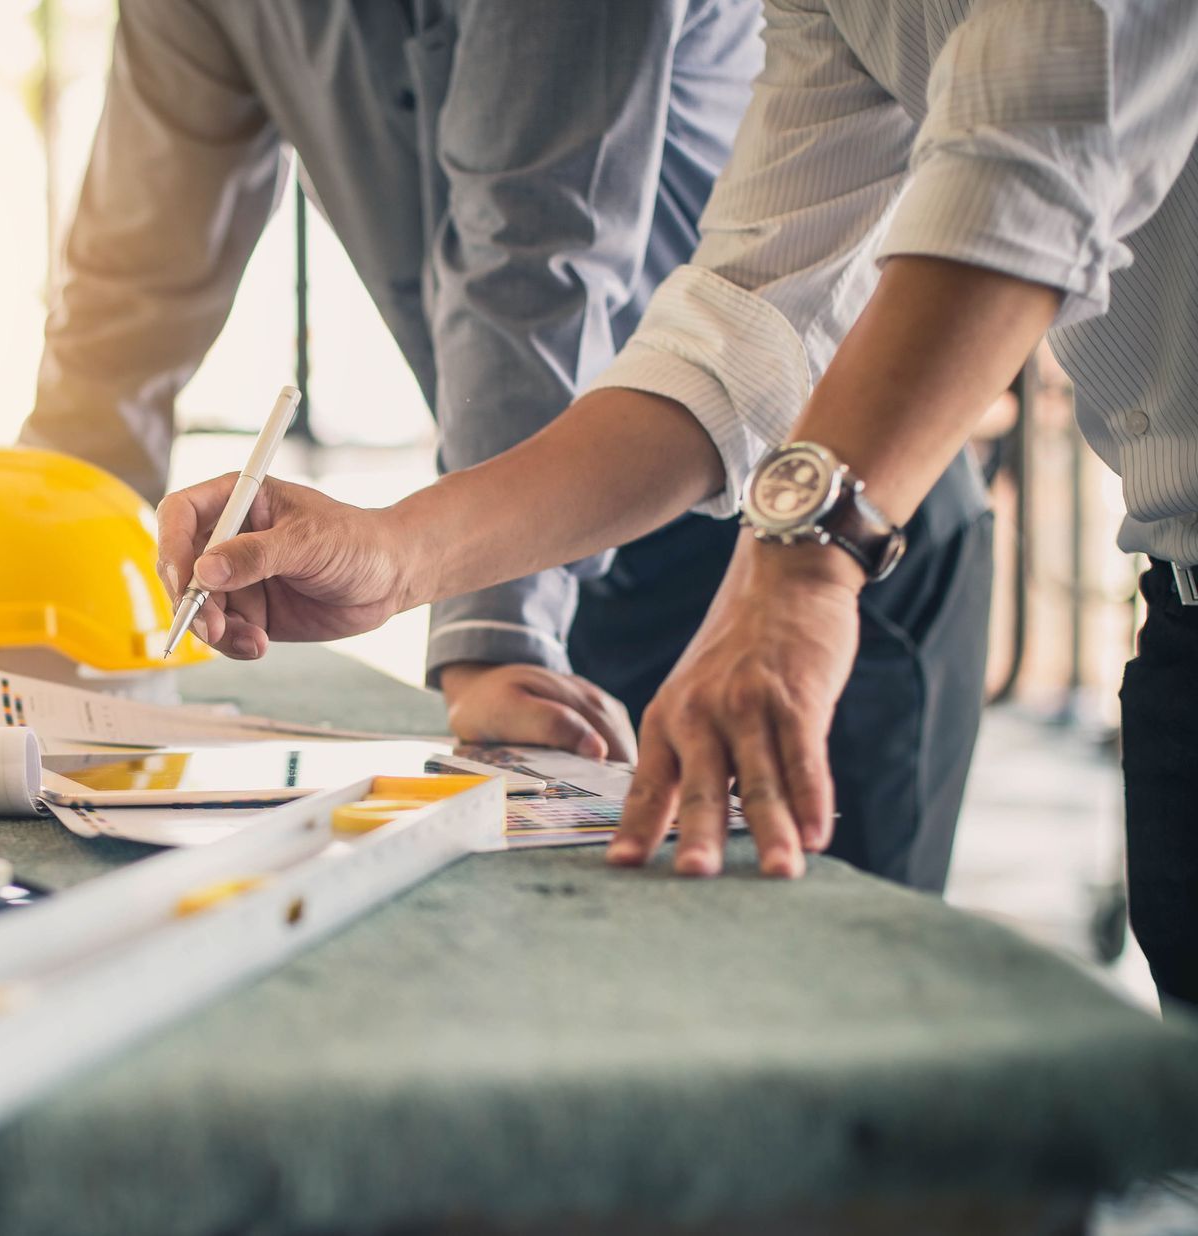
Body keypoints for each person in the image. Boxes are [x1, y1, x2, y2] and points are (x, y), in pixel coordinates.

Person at [153, 1, 1198, 1010]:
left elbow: (1034, 162)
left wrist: (797, 567)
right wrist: (397, 553)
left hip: (892, 552)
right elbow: (740, 331)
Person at [26, 0, 995, 892]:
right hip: (547, 523)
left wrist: (495, 630)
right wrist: (33, 580)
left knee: (827, 1010)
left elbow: (533, 259)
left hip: (820, 524)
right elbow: (130, 288)